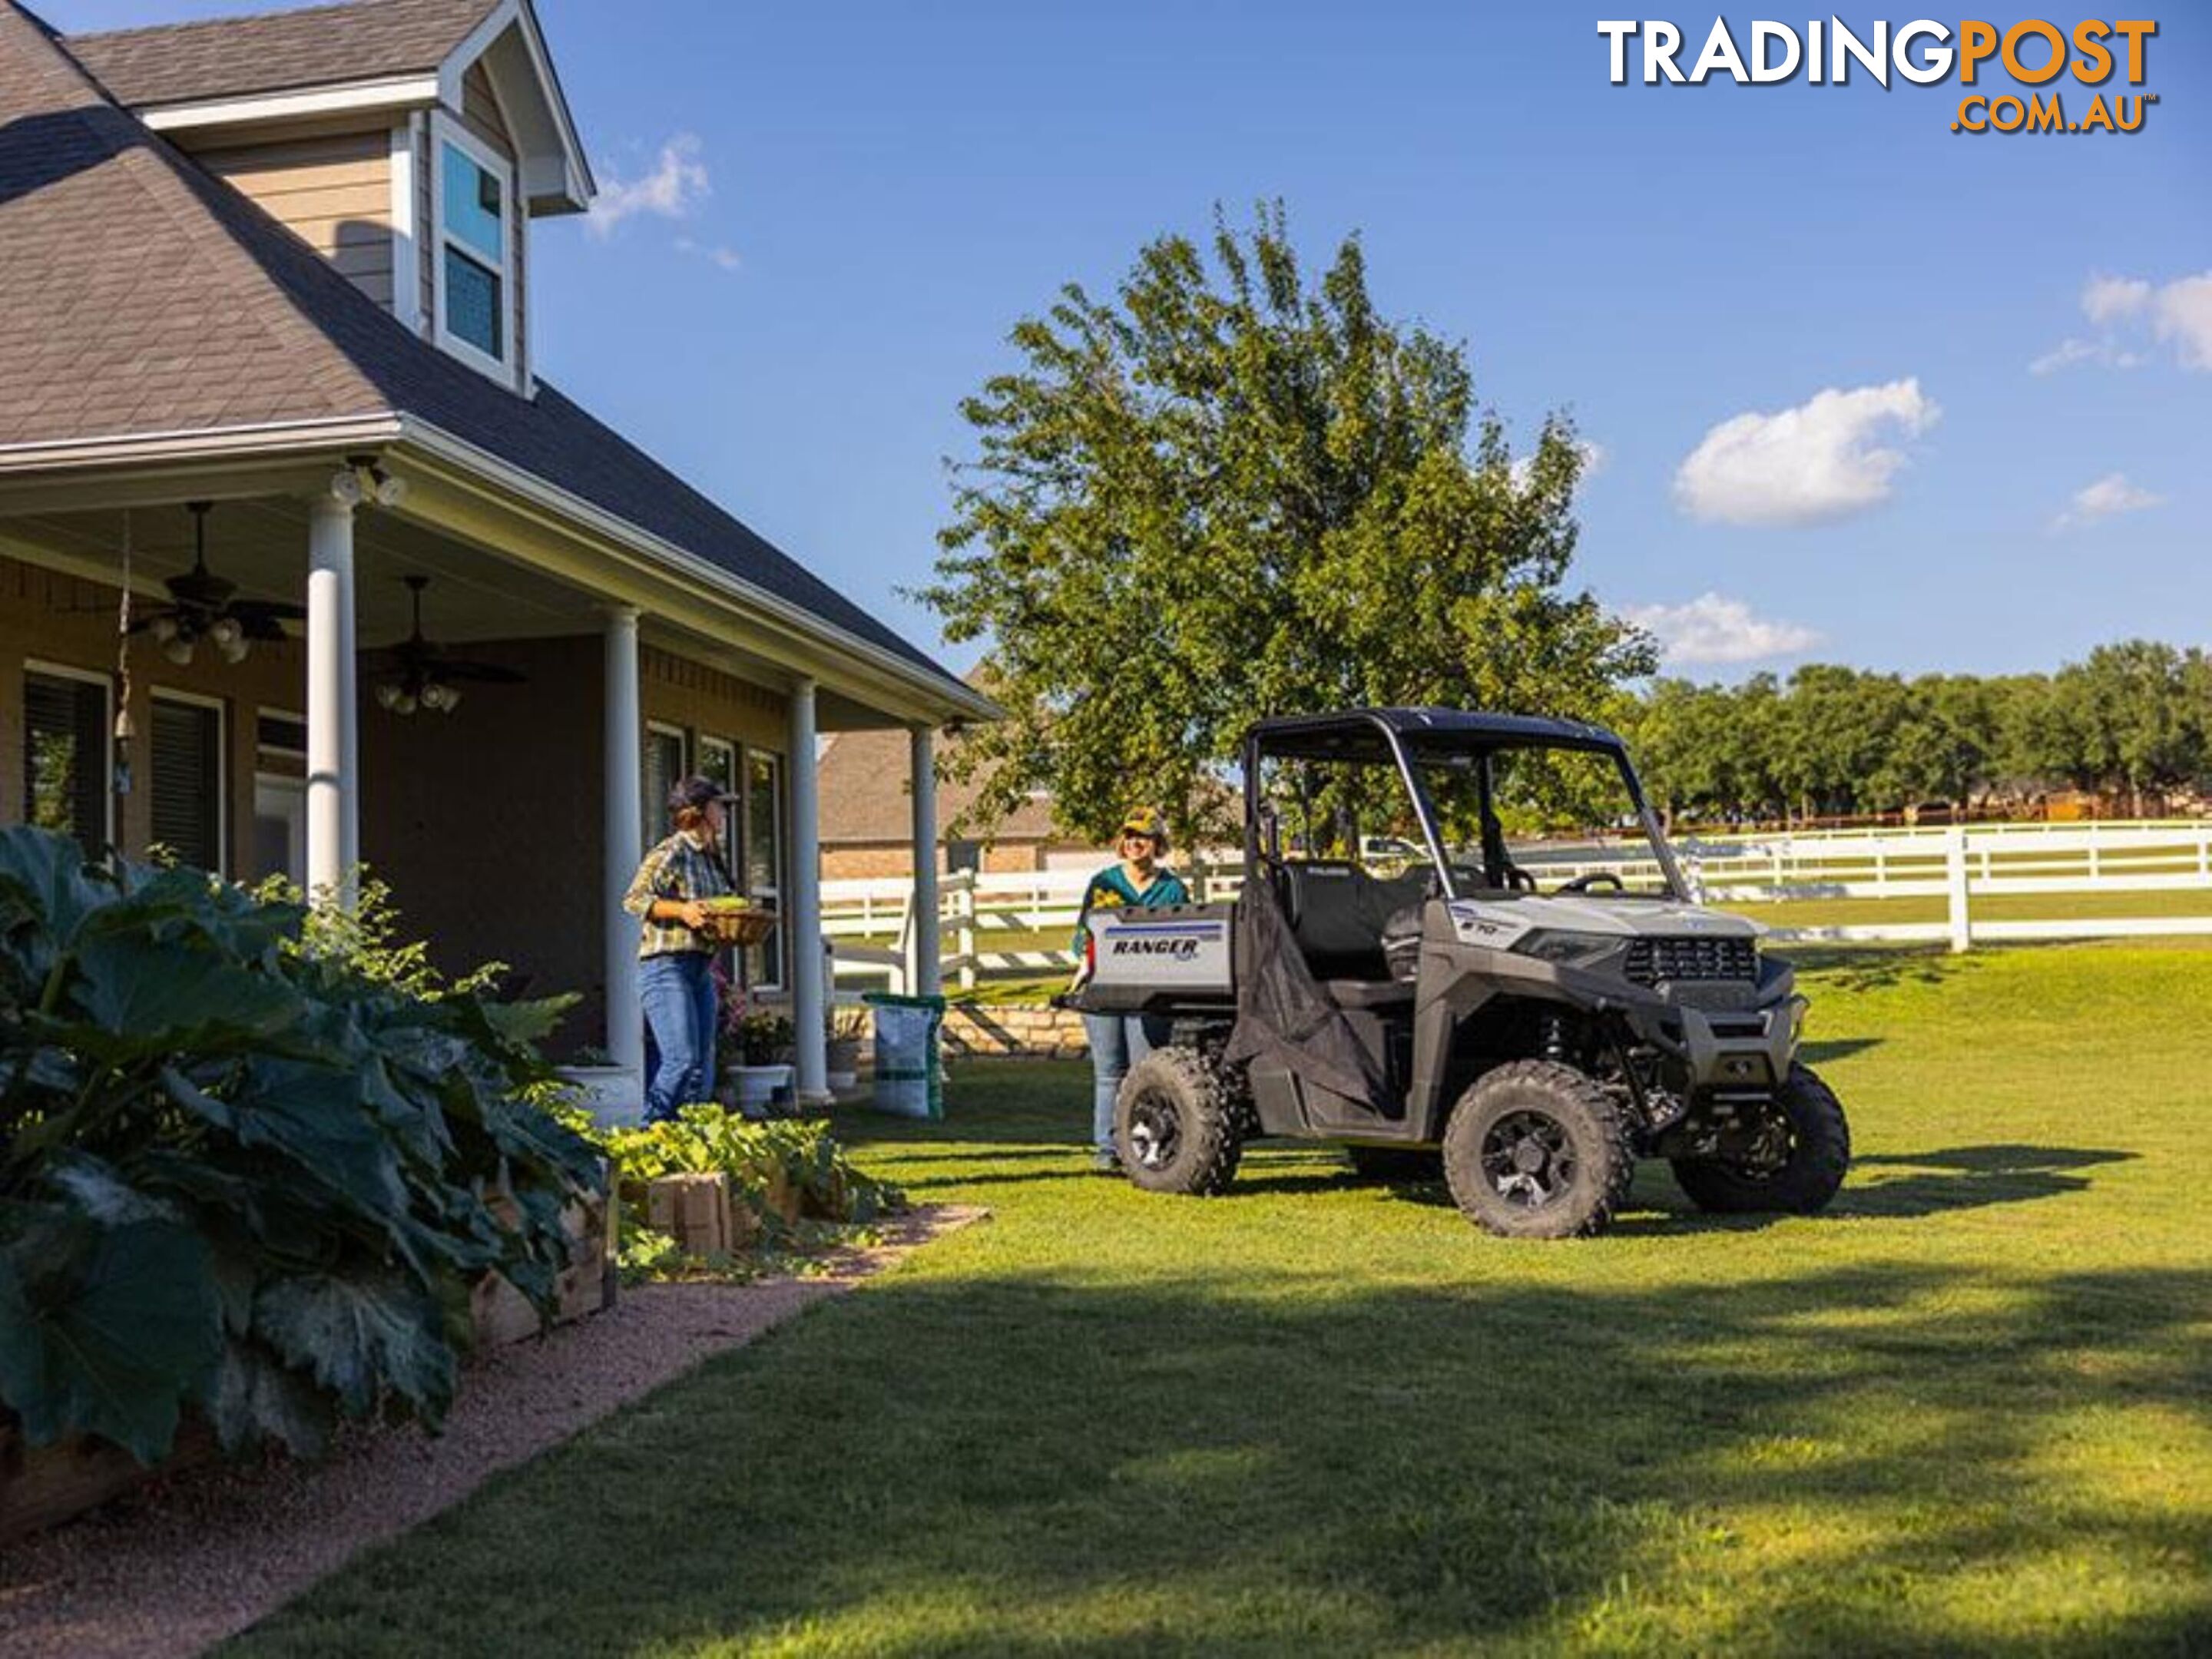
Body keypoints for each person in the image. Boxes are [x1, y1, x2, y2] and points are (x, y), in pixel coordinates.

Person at [1073, 807, 1190, 1171]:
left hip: (1149, 992)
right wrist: (1082, 966)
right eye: (1129, 836)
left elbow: (1183, 938)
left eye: (1143, 837)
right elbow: (1084, 935)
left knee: (1144, 1071)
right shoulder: (1103, 883)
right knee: (1109, 1072)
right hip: (1104, 986)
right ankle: (1107, 1150)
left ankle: (1143, 1148)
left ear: (1157, 843)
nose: (1134, 843)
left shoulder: (1172, 887)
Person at [624, 776, 737, 1122]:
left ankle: (687, 1143)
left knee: (702, 1064)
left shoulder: (711, 859)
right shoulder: (673, 850)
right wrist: (683, 911)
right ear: (701, 811)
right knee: (681, 1059)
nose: (724, 814)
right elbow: (634, 898)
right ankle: (648, 1136)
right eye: (720, 806)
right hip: (665, 967)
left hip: (700, 968)